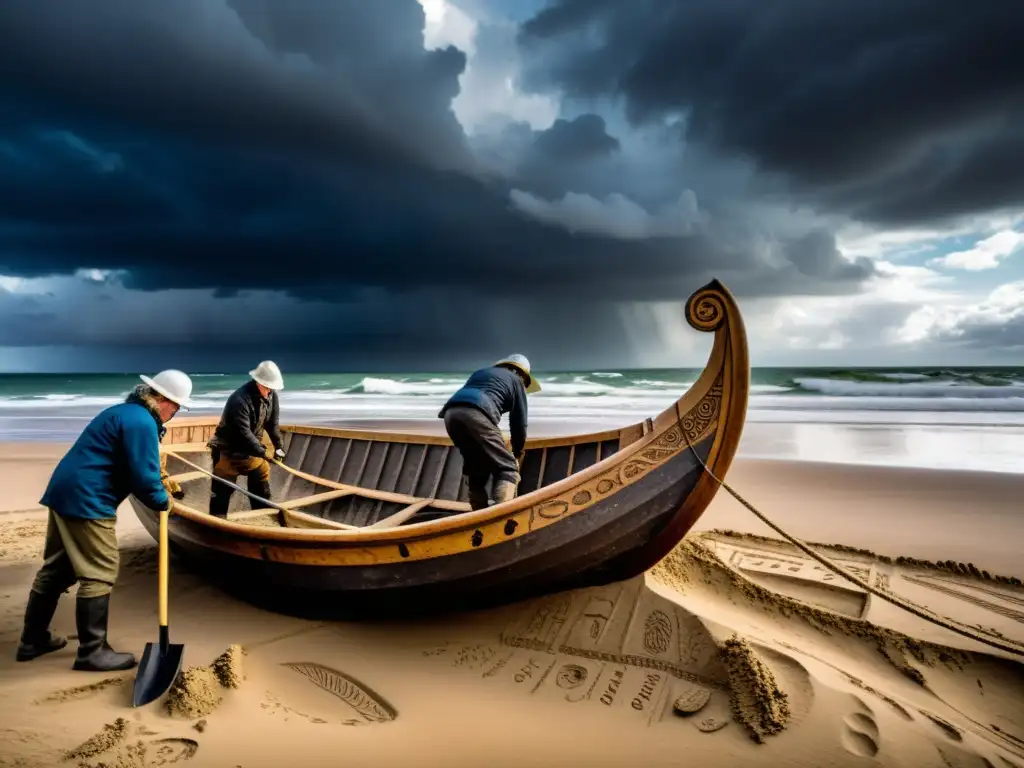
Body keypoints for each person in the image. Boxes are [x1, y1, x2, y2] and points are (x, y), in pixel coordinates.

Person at [15, 369, 194, 671]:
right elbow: (143, 478)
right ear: (161, 399)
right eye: (175, 407)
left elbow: (140, 465)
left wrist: (160, 482)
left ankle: (32, 640)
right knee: (100, 571)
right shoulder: (141, 423)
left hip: (64, 492)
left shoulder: (125, 412)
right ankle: (92, 652)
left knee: (58, 569)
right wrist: (164, 501)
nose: (174, 413)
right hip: (88, 499)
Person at [438, 354, 541, 510]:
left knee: (475, 467)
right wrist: (517, 451)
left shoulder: (481, 373)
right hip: (477, 412)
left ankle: (478, 513)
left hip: (451, 414)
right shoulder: (516, 381)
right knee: (508, 469)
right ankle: (500, 515)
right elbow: (519, 423)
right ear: (522, 374)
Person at [206, 360, 286, 518]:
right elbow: (244, 432)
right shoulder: (239, 399)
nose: (269, 390)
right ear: (257, 381)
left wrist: (279, 447)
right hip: (227, 451)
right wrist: (262, 452)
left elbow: (272, 424)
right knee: (222, 492)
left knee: (261, 482)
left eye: (272, 388)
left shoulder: (272, 396)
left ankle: (262, 518)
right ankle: (216, 523)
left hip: (250, 452)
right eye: (266, 386)